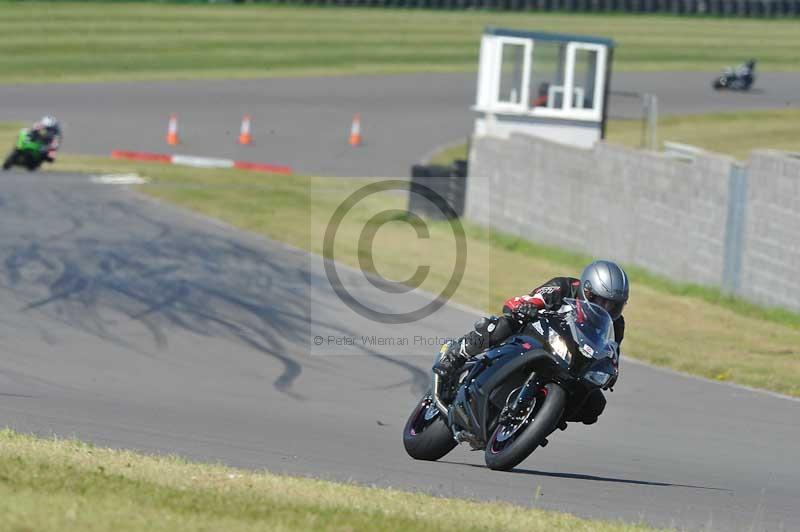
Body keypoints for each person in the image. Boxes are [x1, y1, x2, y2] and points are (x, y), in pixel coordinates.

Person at [432, 260, 629, 425]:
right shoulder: (564, 287)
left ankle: (545, 418)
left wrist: (610, 371)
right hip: (535, 336)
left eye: (614, 305)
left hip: (569, 360)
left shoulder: (616, 324)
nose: (606, 308)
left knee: (594, 404)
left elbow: (611, 354)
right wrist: (525, 307)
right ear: (587, 289)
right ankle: (457, 353)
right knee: (505, 324)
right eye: (601, 301)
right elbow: (530, 299)